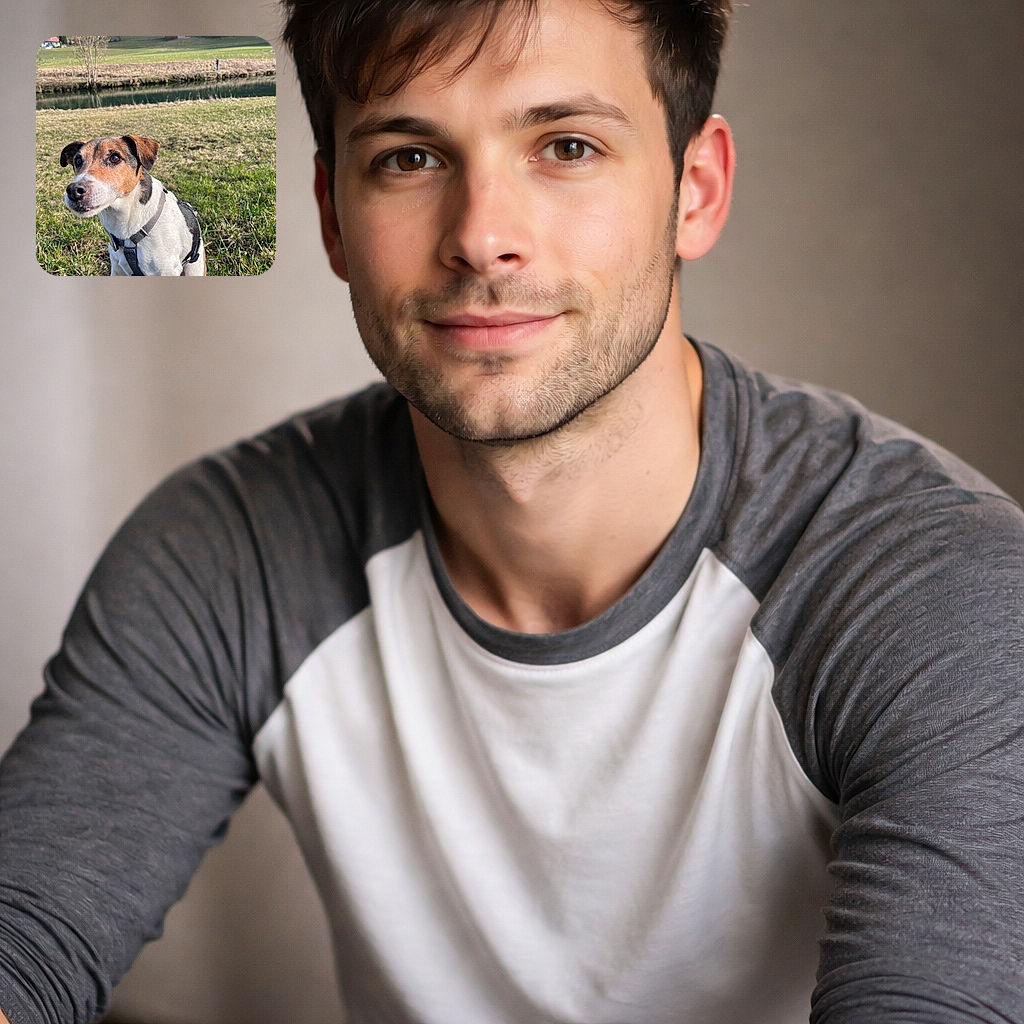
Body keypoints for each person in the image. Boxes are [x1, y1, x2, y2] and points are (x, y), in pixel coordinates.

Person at [2, 0, 1023, 1021]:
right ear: (329, 216)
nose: (483, 237)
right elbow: (25, 940)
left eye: (566, 145)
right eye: (407, 158)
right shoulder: (226, 551)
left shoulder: (938, 590)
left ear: (693, 190)